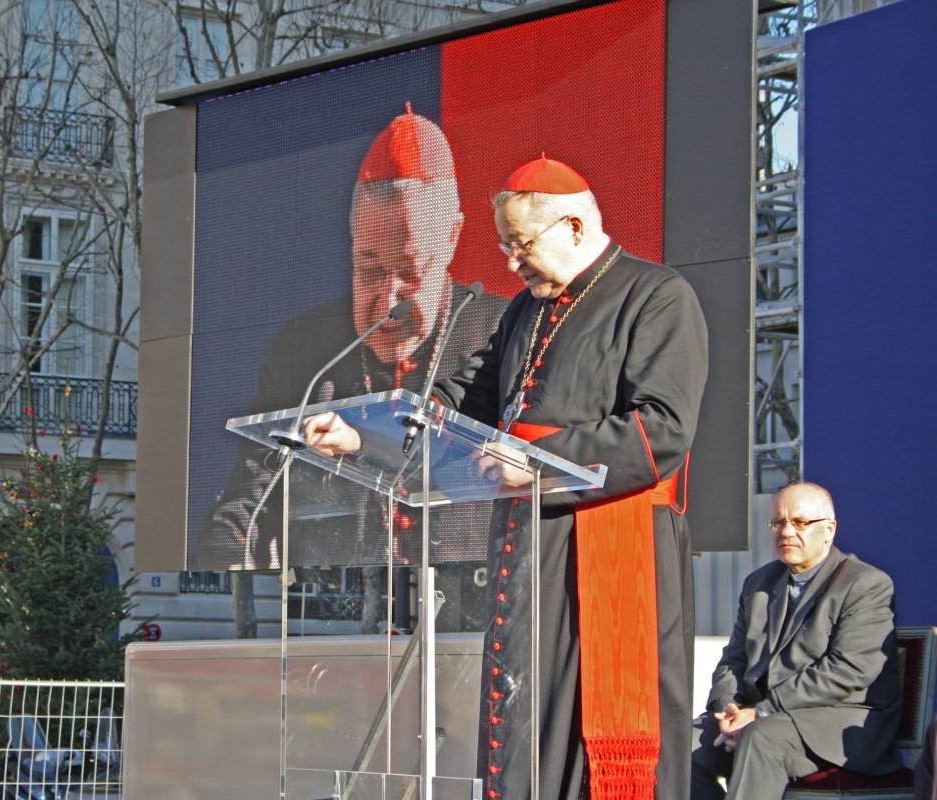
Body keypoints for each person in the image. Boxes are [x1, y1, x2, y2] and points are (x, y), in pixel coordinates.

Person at [304, 155, 708, 798]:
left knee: (591, 723)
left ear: (574, 227)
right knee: (525, 714)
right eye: (503, 245)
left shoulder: (656, 296)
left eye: (521, 244)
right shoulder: (524, 310)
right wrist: (363, 434)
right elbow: (469, 397)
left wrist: (538, 460)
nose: (510, 262)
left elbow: (662, 430)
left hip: (611, 543)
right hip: (528, 545)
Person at [199, 105, 507, 612]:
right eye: (368, 267)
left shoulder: (499, 331)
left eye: (408, 270)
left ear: (451, 239)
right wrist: (227, 556)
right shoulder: (305, 349)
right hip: (332, 621)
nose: (386, 303)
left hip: (472, 615)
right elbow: (246, 507)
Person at [691, 482, 902, 800]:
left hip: (838, 723)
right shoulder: (759, 583)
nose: (787, 531)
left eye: (801, 522)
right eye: (778, 522)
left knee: (761, 738)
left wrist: (761, 712)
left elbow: (848, 670)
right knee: (684, 743)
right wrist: (729, 707)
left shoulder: (865, 584)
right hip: (764, 716)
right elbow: (734, 659)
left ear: (829, 529)